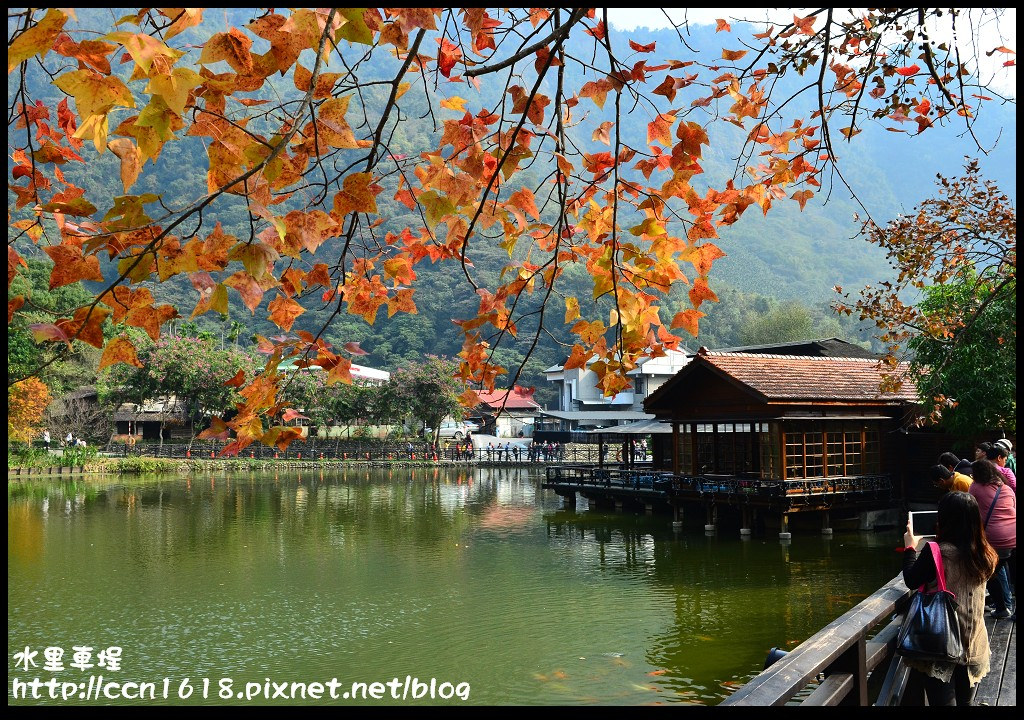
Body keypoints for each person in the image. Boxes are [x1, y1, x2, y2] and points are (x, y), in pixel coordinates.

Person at [902, 491, 999, 706]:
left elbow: (911, 579)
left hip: (941, 643)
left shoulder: (938, 551)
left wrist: (910, 547)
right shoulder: (986, 554)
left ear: (944, 519)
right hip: (974, 641)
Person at [969, 459, 1016, 619]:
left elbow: (969, 509)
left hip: (996, 538)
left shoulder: (975, 487)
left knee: (989, 573)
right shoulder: (1007, 488)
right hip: (1014, 535)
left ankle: (1002, 609)